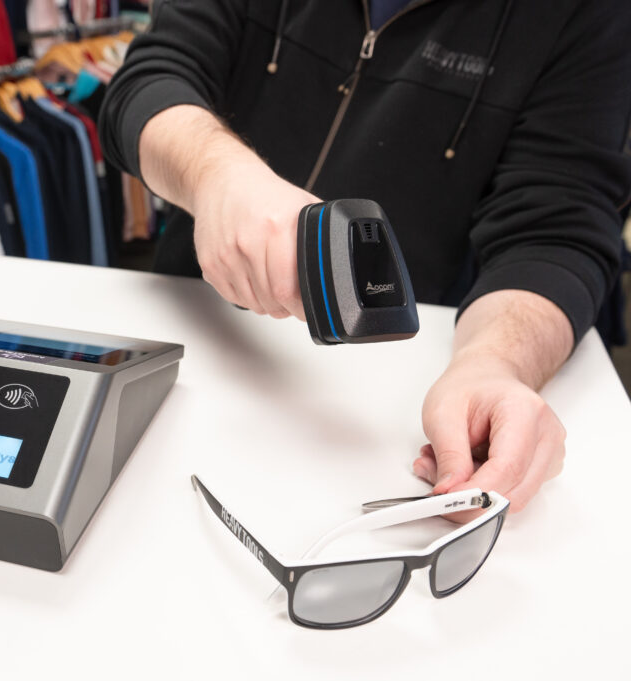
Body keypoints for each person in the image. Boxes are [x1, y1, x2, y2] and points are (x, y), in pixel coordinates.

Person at [98, 0, 631, 516]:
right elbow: (150, 80)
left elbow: (556, 227)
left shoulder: (587, 14)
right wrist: (216, 174)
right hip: (190, 337)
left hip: (393, 398)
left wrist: (496, 364)